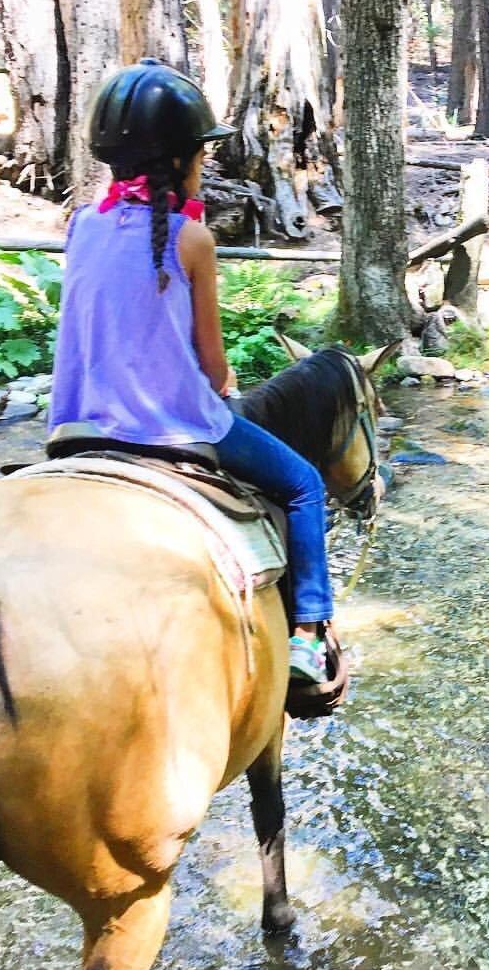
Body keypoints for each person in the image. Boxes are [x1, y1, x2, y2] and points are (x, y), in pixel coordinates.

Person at [49, 58, 333, 684]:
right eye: (201, 153)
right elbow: (212, 365)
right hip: (174, 428)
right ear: (180, 159)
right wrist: (225, 390)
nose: (205, 162)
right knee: (305, 483)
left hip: (77, 423)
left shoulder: (81, 227)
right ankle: (310, 637)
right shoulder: (191, 240)